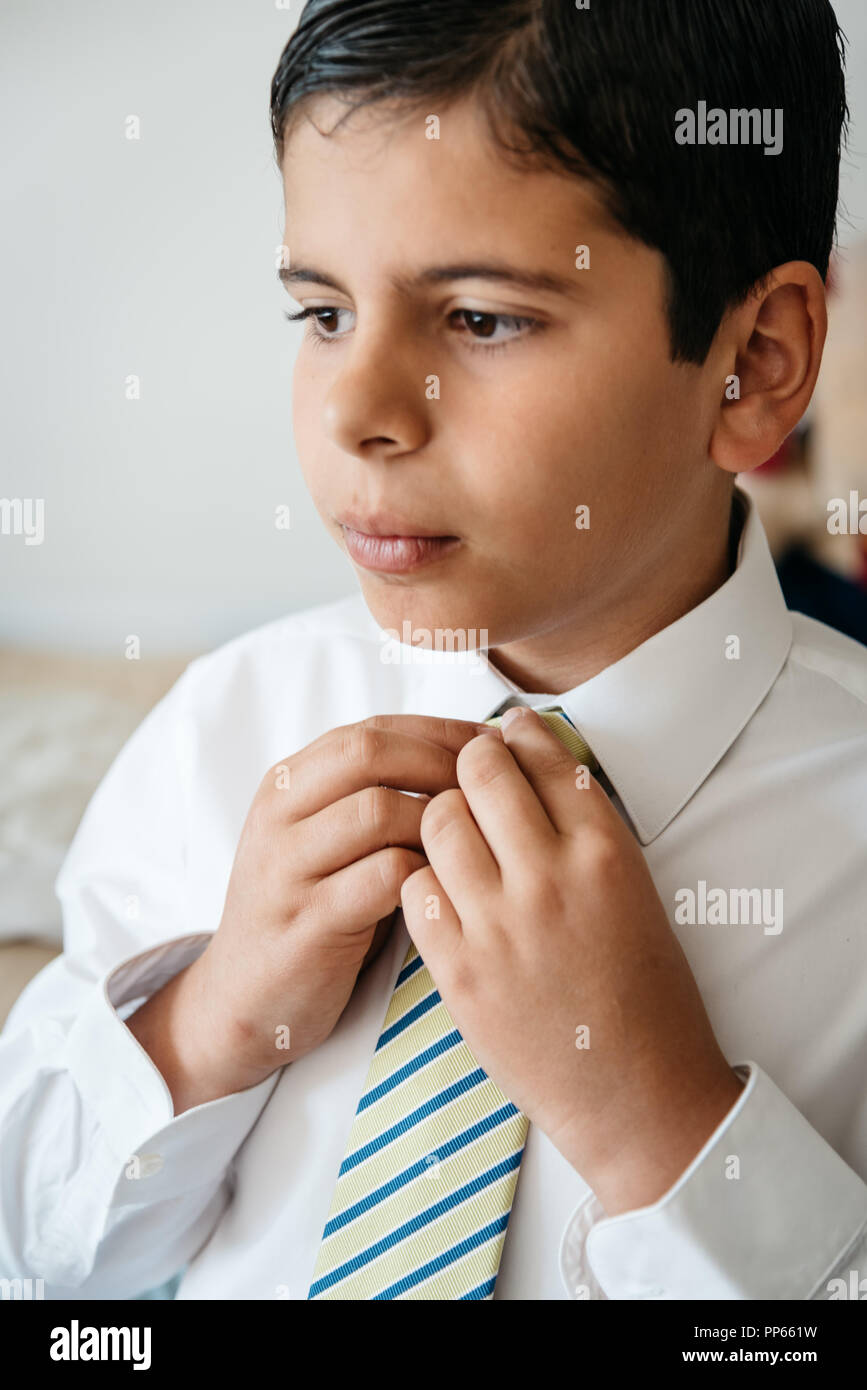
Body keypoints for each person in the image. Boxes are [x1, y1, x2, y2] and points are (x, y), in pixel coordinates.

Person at [1, 0, 865, 1301]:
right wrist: (204, 1024)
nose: (356, 411)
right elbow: (38, 1248)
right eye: (323, 313)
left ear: (753, 361)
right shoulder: (222, 732)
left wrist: (666, 1127)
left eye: (479, 319)